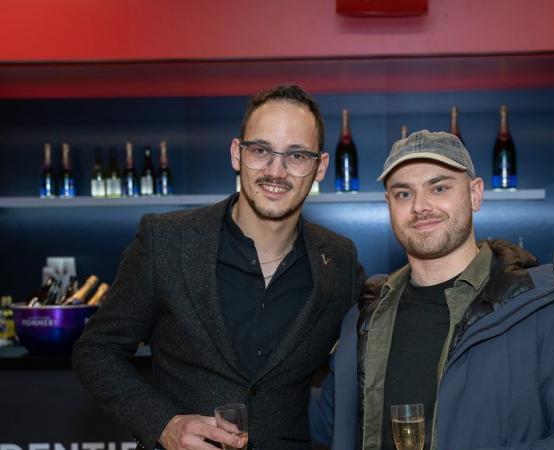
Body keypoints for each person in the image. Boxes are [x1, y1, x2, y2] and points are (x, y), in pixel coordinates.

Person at [73, 85, 365, 450]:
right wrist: (165, 425)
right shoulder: (166, 241)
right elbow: (96, 351)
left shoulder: (338, 260)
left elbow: (380, 340)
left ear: (320, 166)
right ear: (236, 154)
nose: (276, 171)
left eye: (297, 155)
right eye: (260, 150)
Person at [310, 130, 554, 450]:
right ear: (388, 204)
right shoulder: (366, 316)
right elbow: (328, 422)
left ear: (475, 194)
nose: (421, 206)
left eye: (440, 187)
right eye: (403, 193)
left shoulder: (551, 311)